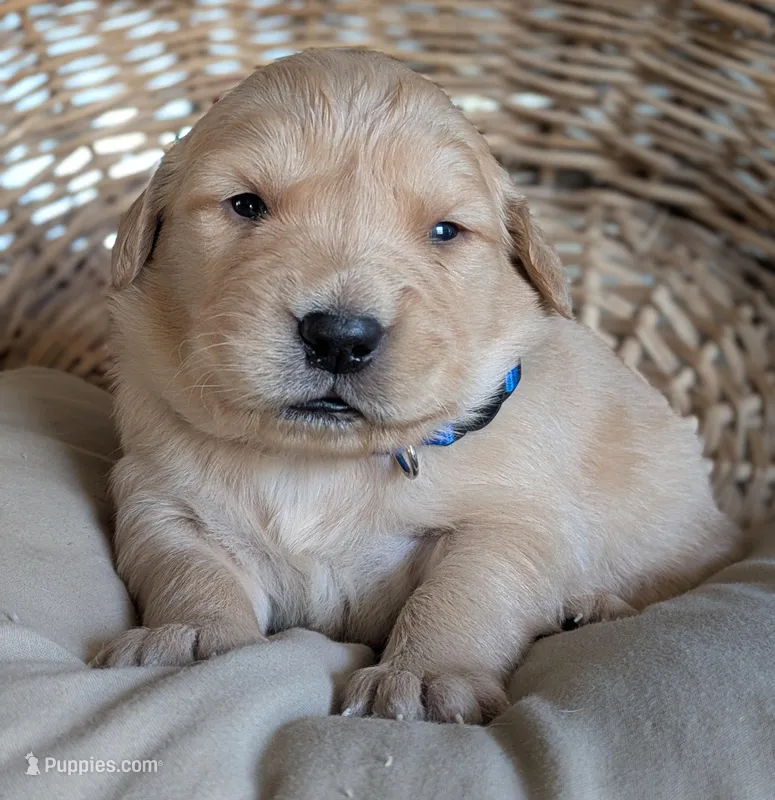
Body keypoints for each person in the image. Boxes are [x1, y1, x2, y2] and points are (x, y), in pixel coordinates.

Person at [0, 367, 773, 799]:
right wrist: (203, 610)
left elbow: (508, 527)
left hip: (650, 564)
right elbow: (168, 515)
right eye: (248, 205)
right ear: (148, 233)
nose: (342, 311)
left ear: (518, 260)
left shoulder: (518, 393)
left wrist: (444, 653)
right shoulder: (165, 408)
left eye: (442, 231)